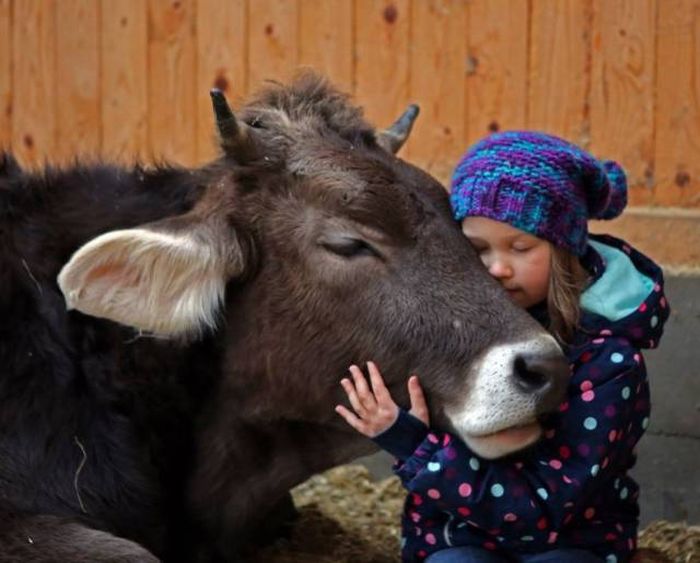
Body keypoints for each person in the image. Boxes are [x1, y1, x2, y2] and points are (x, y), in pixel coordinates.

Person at [335, 131, 670, 563]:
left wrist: (417, 447)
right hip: (458, 538)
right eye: (476, 248)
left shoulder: (609, 361)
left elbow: (550, 504)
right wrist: (407, 428)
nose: (497, 267)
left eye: (521, 246)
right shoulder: (452, 335)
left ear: (564, 247)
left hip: (569, 541)